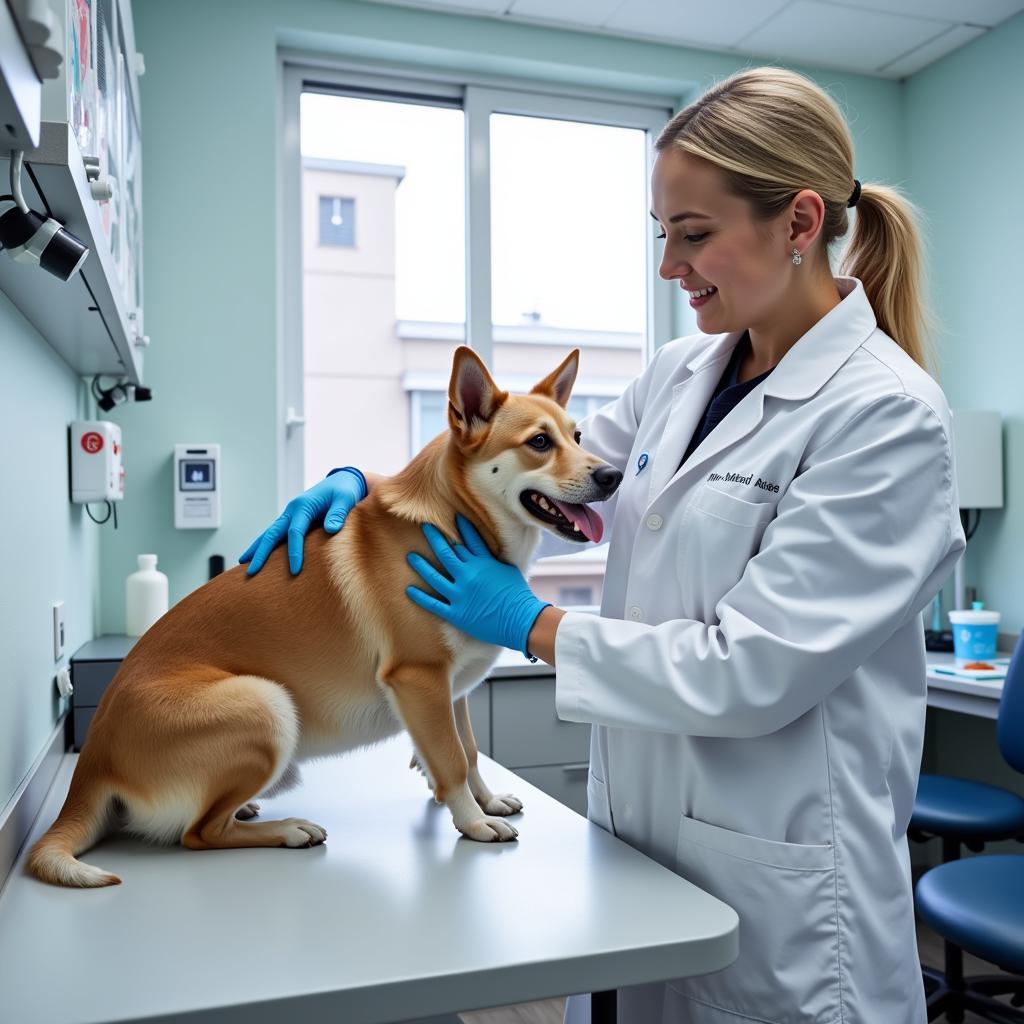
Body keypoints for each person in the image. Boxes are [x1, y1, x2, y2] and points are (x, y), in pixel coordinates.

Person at [241, 67, 965, 1023]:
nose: (670, 266)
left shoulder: (887, 418)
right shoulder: (679, 372)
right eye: (662, 235)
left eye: (694, 235)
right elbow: (540, 477)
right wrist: (368, 493)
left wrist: (533, 626)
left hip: (786, 893)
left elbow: (746, 671)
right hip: (643, 855)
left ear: (798, 225)